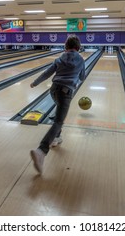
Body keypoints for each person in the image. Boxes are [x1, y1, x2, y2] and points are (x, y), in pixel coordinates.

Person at [30, 34, 85, 174]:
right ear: (78, 48)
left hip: (53, 89)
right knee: (59, 121)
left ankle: (56, 137)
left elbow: (47, 73)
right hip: (66, 92)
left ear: (65, 46)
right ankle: (41, 150)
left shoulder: (59, 58)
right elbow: (82, 77)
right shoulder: (80, 59)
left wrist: (35, 82)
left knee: (59, 112)